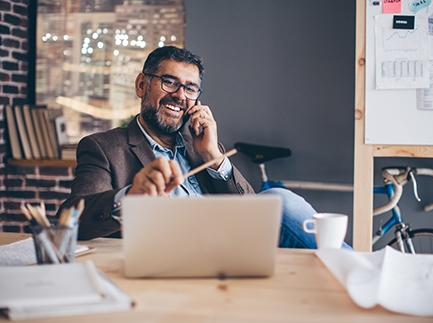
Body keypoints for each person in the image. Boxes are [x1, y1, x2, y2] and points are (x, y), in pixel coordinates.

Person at [58, 46, 349, 249]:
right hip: (169, 253)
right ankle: (358, 271)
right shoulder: (104, 147)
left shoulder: (203, 149)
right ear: (141, 85)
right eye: (169, 82)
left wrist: (214, 156)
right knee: (280, 200)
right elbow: (73, 219)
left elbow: (251, 208)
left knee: (277, 200)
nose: (179, 96)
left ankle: (351, 272)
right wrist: (131, 196)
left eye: (190, 88)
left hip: (230, 248)